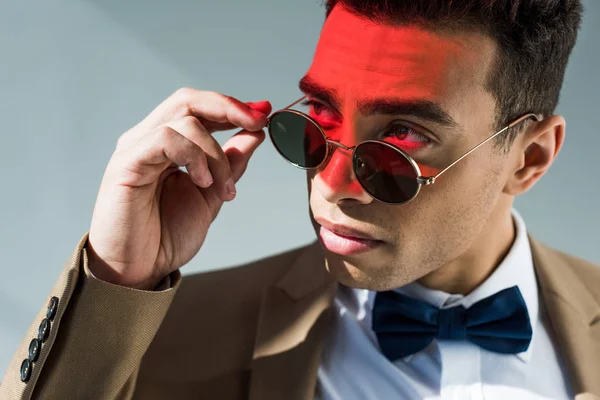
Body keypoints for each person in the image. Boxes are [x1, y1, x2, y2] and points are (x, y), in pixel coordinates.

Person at [2, 0, 599, 399]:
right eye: (319, 117)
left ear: (529, 158)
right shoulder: (161, 333)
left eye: (403, 137)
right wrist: (117, 280)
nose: (333, 183)